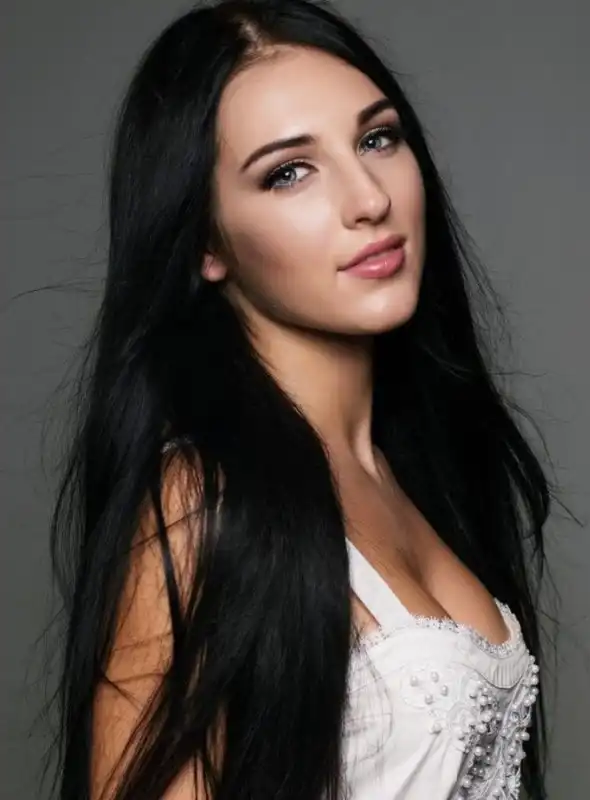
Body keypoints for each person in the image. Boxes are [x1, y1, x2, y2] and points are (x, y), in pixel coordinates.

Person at [48, 1, 556, 798]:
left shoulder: (416, 471)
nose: (368, 199)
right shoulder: (199, 503)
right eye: (289, 172)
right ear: (206, 240)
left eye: (377, 138)